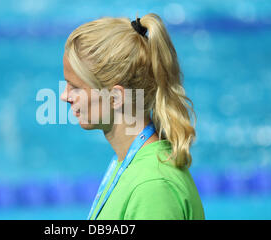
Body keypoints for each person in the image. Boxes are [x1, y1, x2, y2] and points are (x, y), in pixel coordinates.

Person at [60, 13, 205, 220]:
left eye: (75, 87)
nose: (65, 96)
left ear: (116, 97)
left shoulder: (152, 187)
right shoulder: (129, 164)